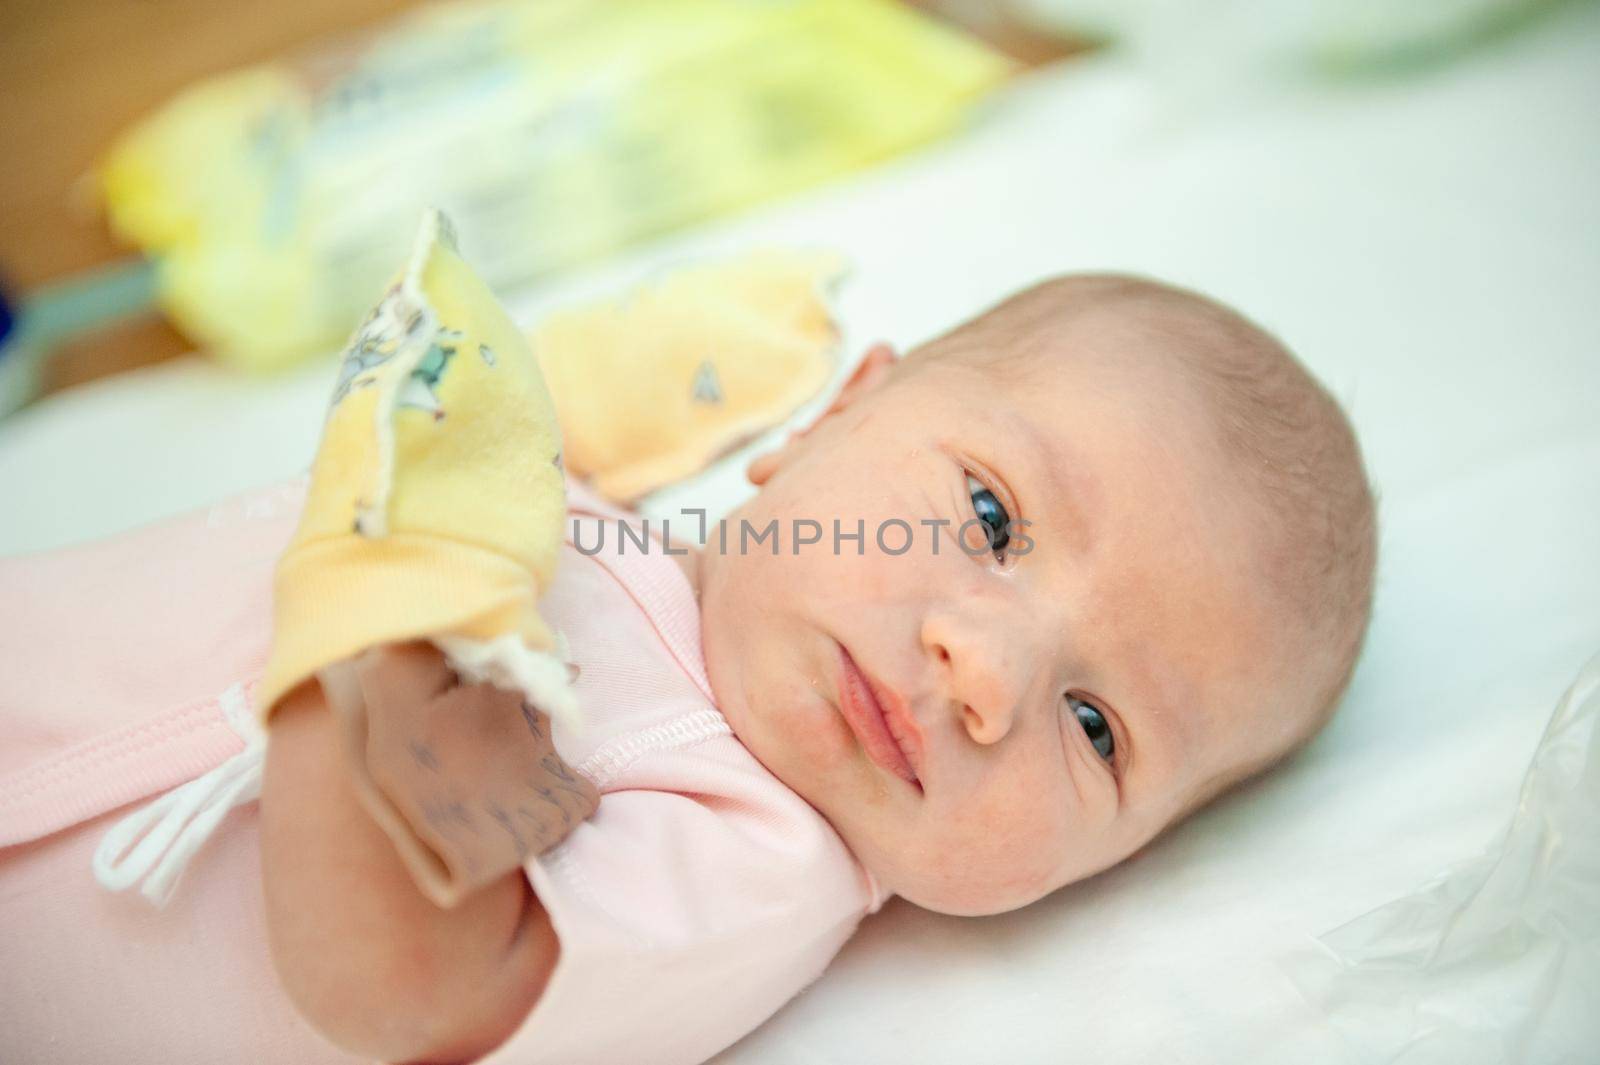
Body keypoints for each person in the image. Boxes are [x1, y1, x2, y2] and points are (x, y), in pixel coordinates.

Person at [0, 274, 1376, 1065]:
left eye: (1095, 725)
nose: (985, 671)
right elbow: (437, 403)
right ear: (837, 411)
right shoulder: (596, 513)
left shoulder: (757, 854)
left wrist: (373, 642)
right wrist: (543, 402)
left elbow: (406, 983)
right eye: (995, 517)